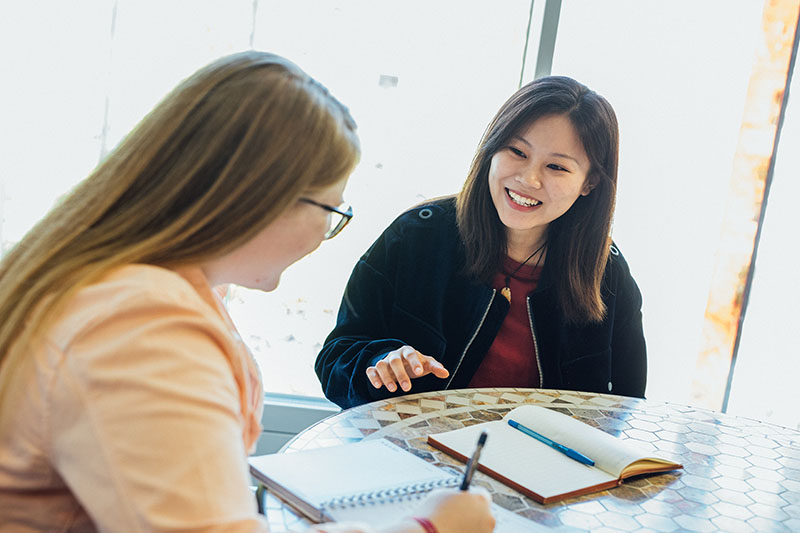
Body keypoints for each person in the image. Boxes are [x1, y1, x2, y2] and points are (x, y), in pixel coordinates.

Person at [0, 52, 495, 533]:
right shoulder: (146, 327)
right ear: (261, 197)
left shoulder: (110, 275)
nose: (326, 232)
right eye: (331, 211)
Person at [316, 76, 647, 409]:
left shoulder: (608, 275)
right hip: (411, 454)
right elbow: (334, 358)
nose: (528, 178)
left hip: (540, 461)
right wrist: (379, 362)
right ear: (492, 148)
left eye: (557, 167)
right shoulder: (416, 237)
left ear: (589, 183)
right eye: (517, 151)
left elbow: (629, 407)